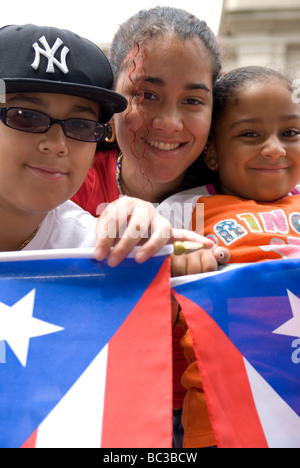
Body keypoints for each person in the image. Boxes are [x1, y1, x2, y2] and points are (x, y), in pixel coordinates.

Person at [71, 6, 228, 446]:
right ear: (111, 98)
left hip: (205, 417)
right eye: (147, 95)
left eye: (193, 100)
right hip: (89, 404)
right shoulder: (64, 180)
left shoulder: (242, 196)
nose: (169, 123)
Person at [160, 65, 300, 447]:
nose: (274, 148)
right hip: (224, 420)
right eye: (250, 135)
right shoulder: (184, 211)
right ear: (213, 152)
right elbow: (147, 306)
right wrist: (174, 269)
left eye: (290, 133)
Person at [0, 23, 210, 264]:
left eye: (80, 125)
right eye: (25, 117)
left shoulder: (97, 253)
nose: (57, 144)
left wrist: (164, 262)